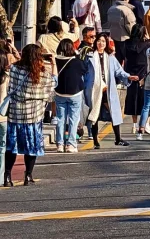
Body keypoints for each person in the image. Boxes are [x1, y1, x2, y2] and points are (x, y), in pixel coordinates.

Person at [3, 44, 55, 186]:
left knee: (11, 146)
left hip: (15, 114)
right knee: (31, 146)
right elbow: (52, 89)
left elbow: (11, 82)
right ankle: (28, 176)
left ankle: (7, 176)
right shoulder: (42, 74)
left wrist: (13, 49)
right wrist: (53, 64)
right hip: (34, 114)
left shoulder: (14, 69)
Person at [84, 33, 134, 148]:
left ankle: (118, 138)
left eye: (103, 41)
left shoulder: (110, 58)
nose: (101, 43)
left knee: (113, 113)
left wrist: (128, 77)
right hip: (94, 89)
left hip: (107, 88)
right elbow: (84, 72)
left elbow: (119, 71)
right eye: (99, 41)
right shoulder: (89, 56)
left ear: (106, 44)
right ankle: (95, 140)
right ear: (95, 42)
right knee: (94, 113)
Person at [52, 40, 88, 153]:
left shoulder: (56, 60)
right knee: (73, 119)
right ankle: (71, 144)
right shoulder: (76, 61)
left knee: (60, 119)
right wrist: (77, 54)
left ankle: (60, 144)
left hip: (59, 93)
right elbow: (84, 69)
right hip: (75, 93)